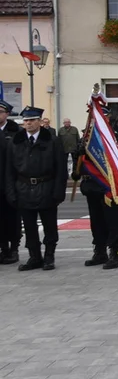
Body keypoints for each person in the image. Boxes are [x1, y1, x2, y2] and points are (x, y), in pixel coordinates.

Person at [6, 107, 67, 271]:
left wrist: (58, 191)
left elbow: (60, 168)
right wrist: (11, 192)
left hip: (46, 186)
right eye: (26, 121)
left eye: (32, 120)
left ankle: (49, 256)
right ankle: (34, 257)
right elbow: (9, 170)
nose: (29, 123)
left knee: (49, 226)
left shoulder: (52, 141)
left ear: (40, 121)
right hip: (24, 189)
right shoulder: (16, 141)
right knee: (29, 227)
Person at [74, 107, 118, 269]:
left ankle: (116, 253)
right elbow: (79, 160)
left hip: (107, 186)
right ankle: (100, 251)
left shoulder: (112, 137)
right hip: (91, 186)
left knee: (112, 221)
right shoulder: (85, 136)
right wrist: (78, 157)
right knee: (96, 222)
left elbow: (113, 159)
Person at [0, 100, 22, 264]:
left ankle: (14, 248)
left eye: (1, 111)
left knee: (12, 217)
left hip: (12, 182)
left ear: (7, 114)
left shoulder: (16, 132)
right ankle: (3, 249)